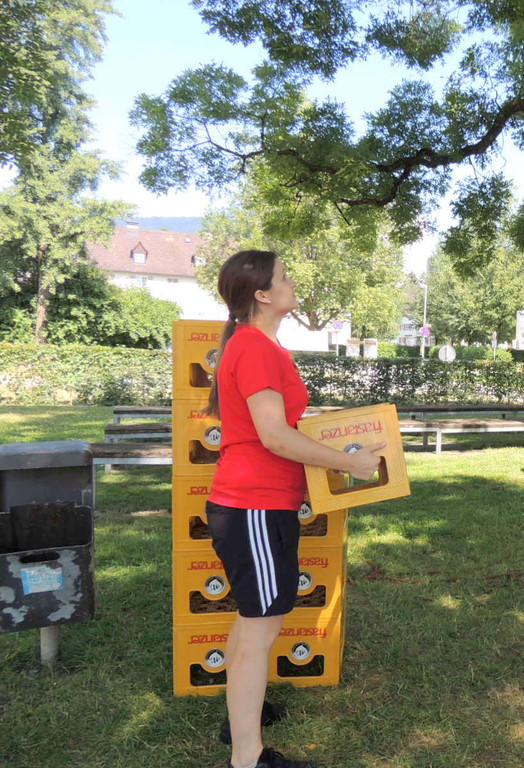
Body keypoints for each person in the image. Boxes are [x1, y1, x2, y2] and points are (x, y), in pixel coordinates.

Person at [204, 250, 385, 768]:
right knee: (261, 626)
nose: (292, 283)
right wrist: (349, 463)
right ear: (262, 295)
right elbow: (275, 436)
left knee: (253, 618)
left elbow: (279, 427)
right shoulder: (255, 347)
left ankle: (242, 716)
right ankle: (247, 757)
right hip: (254, 507)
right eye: (283, 277)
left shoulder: (255, 344)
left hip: (255, 505)